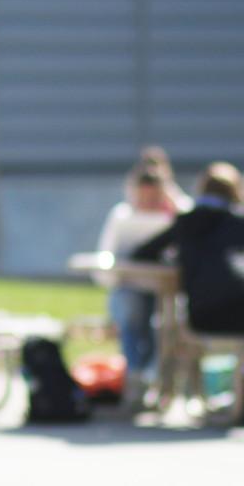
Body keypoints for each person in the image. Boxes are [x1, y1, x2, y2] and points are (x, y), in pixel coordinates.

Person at [95, 168, 175, 408]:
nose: (147, 203)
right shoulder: (121, 216)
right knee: (131, 309)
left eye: (153, 198)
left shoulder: (172, 216)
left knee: (161, 321)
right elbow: (105, 256)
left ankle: (148, 376)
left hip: (163, 288)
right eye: (143, 197)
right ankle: (138, 374)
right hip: (128, 285)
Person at [133, 162, 244, 334]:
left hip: (200, 316)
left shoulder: (186, 222)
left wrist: (177, 261)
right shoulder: (237, 224)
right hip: (237, 313)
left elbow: (143, 253)